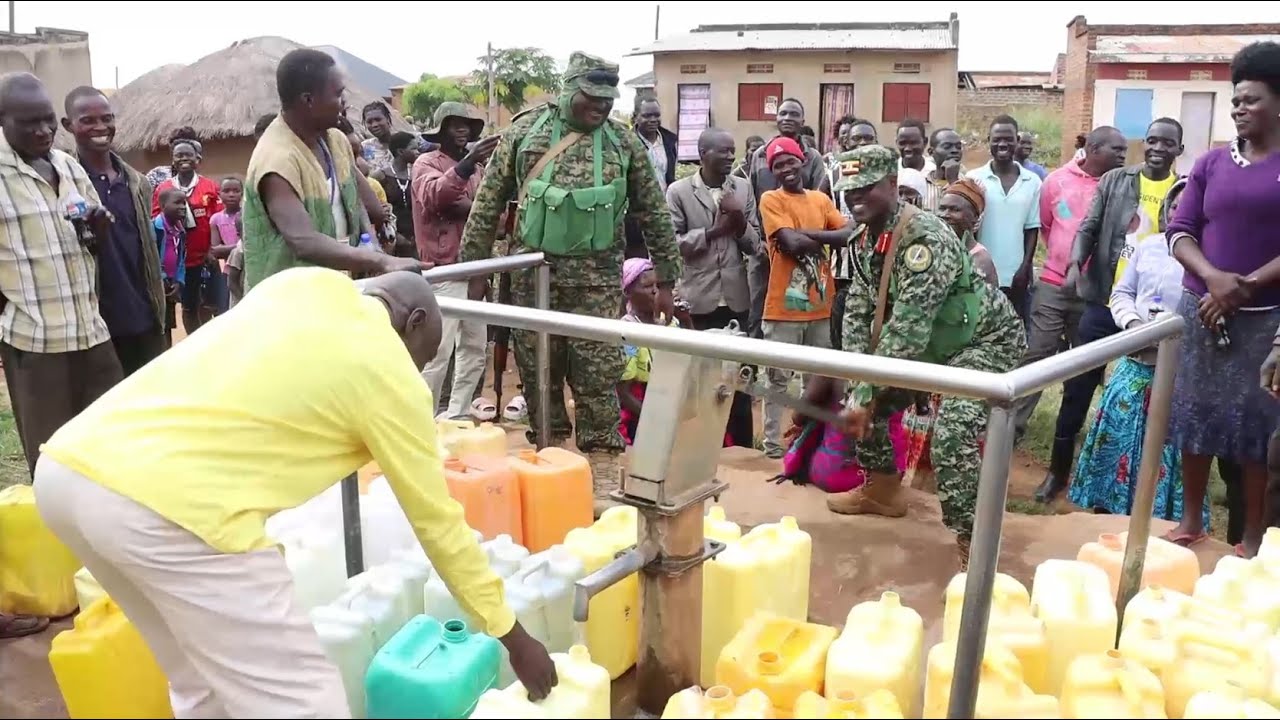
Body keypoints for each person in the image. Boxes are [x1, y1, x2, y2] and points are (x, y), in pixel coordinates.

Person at [33, 267, 558, 716]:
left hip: (69, 471)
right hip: (171, 511)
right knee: (305, 698)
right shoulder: (387, 372)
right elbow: (439, 525)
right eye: (423, 354)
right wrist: (512, 634)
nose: (419, 367)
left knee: (199, 680)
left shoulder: (300, 285)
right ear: (413, 322)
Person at [459, 51, 680, 509]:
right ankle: (550, 464)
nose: (599, 106)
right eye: (589, 96)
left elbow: (655, 211)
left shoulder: (623, 141)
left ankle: (600, 471)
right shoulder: (526, 132)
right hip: (531, 282)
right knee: (541, 373)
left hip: (598, 284)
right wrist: (475, 271)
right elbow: (486, 204)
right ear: (567, 89)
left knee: (599, 375)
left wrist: (667, 280)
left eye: (606, 98)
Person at [828, 145, 1026, 568]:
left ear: (892, 186)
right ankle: (882, 491)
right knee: (870, 399)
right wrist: (856, 385)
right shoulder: (865, 238)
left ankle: (975, 541)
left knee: (953, 432)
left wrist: (864, 394)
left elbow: (908, 328)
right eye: (849, 191)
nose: (856, 198)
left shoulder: (924, 239)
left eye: (866, 188)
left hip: (983, 343)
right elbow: (859, 312)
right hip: (935, 344)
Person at [0, 72, 117, 639]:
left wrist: (97, 224)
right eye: (30, 122)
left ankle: (109, 563)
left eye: (49, 119)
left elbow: (95, 222)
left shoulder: (67, 166)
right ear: (3, 122)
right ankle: (62, 575)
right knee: (51, 461)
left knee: (109, 452)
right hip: (35, 340)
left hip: (90, 333)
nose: (46, 129)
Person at [1164, 41, 1280, 557]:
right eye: (1235, 101)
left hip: (1262, 318)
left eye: (1250, 100)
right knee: (1196, 413)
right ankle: (1192, 520)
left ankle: (1252, 537)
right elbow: (1180, 228)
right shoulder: (1211, 164)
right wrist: (1213, 278)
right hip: (1203, 310)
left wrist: (1244, 286)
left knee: (1255, 425)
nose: (1238, 108)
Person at [1045, 118, 1186, 502]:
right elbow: (1089, 227)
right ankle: (1057, 473)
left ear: (1178, 150)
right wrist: (1076, 264)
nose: (1157, 148)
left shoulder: (1184, 191)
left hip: (1155, 317)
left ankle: (1146, 486)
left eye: (1167, 143)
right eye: (1152, 140)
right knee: (1078, 386)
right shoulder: (1116, 181)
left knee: (1152, 399)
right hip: (1105, 302)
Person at [1070, 180, 1206, 523]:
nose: (1179, 211)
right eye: (1175, 205)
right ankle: (1107, 520)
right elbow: (1122, 293)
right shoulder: (1149, 247)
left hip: (1179, 373)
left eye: (1189, 205)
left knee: (1165, 451)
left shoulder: (1213, 257)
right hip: (1134, 363)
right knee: (1116, 441)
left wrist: (1172, 332)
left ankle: (1162, 526)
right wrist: (1133, 326)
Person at [243, 49, 421, 292]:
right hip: (286, 301)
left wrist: (375, 250)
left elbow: (359, 204)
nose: (345, 102)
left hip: (332, 289)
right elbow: (302, 240)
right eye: (338, 94)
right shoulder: (276, 158)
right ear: (308, 100)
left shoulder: (335, 141)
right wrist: (382, 261)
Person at [1010, 125, 1127, 443]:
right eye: (1116, 150)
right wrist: (1063, 258)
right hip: (1053, 283)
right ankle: (1013, 427)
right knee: (1038, 353)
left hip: (1096, 291)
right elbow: (1046, 224)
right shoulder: (1056, 181)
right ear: (1093, 149)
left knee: (1086, 364)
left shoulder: (1121, 186)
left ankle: (1072, 431)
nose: (1123, 156)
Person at [758, 136, 854, 457]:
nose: (786, 168)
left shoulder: (819, 200)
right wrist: (821, 238)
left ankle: (803, 445)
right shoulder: (771, 199)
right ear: (772, 171)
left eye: (791, 161)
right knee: (777, 383)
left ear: (803, 161)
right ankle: (772, 448)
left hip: (820, 306)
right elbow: (790, 243)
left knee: (814, 382)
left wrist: (807, 235)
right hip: (781, 308)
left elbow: (849, 235)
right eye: (778, 164)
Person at [63, 85, 168, 375]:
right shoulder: (65, 185)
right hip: (95, 323)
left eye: (107, 118)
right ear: (68, 125)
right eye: (88, 120)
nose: (101, 127)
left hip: (144, 317)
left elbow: (144, 249)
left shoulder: (137, 183)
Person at [666, 127, 759, 447]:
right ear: (703, 154)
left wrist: (740, 224)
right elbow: (673, 244)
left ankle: (744, 449)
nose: (731, 156)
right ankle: (704, 447)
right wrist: (714, 231)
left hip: (735, 299)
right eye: (723, 151)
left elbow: (755, 245)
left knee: (739, 382)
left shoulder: (744, 189)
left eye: (733, 150)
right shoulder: (678, 192)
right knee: (702, 380)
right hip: (700, 299)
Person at [414, 102, 499, 420]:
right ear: (442, 130)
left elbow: (488, 214)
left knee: (474, 349)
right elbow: (437, 197)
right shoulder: (426, 163)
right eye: (455, 124)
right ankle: (422, 420)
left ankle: (457, 416)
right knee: (438, 353)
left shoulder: (477, 170)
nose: (463, 129)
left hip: (476, 269)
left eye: (467, 124)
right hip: (444, 270)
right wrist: (466, 165)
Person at [745, 98, 826, 339]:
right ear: (776, 118)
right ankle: (752, 364)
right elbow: (751, 197)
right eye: (783, 113)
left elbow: (819, 201)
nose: (787, 118)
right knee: (758, 302)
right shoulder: (760, 155)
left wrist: (801, 239)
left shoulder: (813, 158)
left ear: (803, 121)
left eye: (794, 114)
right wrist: (757, 239)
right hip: (763, 245)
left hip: (800, 246)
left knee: (800, 301)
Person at [966, 114, 1042, 324]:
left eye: (1008, 139)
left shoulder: (1032, 181)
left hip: (1016, 277)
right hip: (980, 273)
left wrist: (1025, 268)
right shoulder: (973, 179)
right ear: (988, 140)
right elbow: (966, 228)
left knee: (1015, 334)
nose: (1002, 144)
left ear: (1017, 140)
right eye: (996, 139)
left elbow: (1032, 228)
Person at [151, 139, 223, 332]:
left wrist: (212, 250)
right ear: (172, 161)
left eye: (188, 155)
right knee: (187, 306)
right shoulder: (163, 188)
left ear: (197, 159)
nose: (184, 158)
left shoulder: (210, 187)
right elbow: (156, 222)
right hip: (177, 263)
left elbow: (217, 219)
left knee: (210, 305)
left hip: (204, 258)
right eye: (179, 155)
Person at [937, 179, 998, 288]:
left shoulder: (979, 261)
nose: (945, 215)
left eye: (954, 210)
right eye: (942, 208)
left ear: (974, 217)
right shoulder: (939, 249)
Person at [153, 188, 189, 347]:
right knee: (157, 325)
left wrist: (178, 280)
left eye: (184, 203)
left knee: (168, 325)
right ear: (162, 205)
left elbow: (181, 258)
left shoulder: (180, 231)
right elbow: (150, 256)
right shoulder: (154, 228)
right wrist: (161, 277)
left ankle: (167, 352)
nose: (182, 207)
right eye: (177, 203)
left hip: (171, 285)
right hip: (156, 284)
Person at [377, 131, 420, 259]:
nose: (418, 152)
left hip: (415, 236)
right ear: (401, 152)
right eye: (413, 149)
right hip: (392, 237)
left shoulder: (416, 174)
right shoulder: (381, 176)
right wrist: (394, 234)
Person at [208, 176, 243, 314]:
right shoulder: (216, 218)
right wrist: (238, 247)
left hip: (245, 265)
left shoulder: (247, 215)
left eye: (236, 191)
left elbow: (249, 245)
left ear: (242, 193)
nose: (231, 194)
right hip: (227, 268)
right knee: (227, 305)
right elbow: (216, 250)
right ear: (219, 194)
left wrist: (227, 249)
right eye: (226, 191)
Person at [921, 127, 964, 211]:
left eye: (958, 147)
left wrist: (954, 182)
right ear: (931, 152)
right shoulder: (921, 184)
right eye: (947, 147)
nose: (955, 151)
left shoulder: (971, 184)